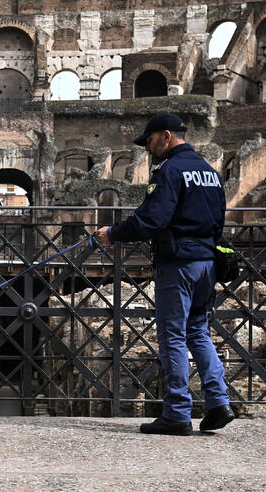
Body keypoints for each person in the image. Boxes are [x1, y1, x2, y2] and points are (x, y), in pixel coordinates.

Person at [93, 113, 234, 436]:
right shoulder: (210, 173)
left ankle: (177, 414)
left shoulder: (170, 170)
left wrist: (113, 233)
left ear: (166, 136)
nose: (148, 148)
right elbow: (218, 220)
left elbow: (153, 220)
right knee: (197, 331)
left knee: (172, 336)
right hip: (208, 263)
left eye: (150, 141)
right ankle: (218, 403)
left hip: (179, 264)